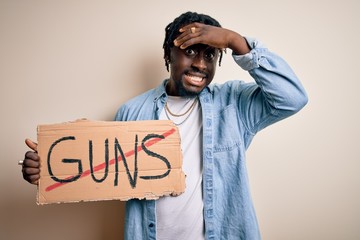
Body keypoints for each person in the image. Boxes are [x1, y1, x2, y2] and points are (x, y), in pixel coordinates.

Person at [21, 11, 308, 240]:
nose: (200, 64)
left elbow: (292, 98)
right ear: (167, 55)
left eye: (209, 55)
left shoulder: (234, 105)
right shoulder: (132, 111)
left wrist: (235, 41)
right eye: (190, 51)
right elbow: (106, 173)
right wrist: (52, 169)